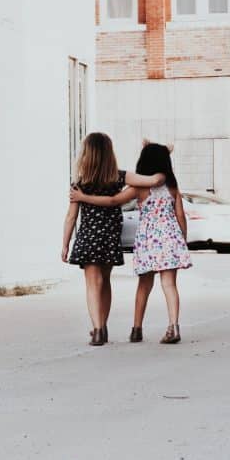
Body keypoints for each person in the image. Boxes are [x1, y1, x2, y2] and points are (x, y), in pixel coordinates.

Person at [70, 141, 191, 344]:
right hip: (170, 239)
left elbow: (112, 201)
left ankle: (136, 329)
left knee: (144, 285)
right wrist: (182, 241)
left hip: (148, 241)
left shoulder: (138, 189)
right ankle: (174, 326)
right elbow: (181, 216)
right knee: (169, 284)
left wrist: (84, 197)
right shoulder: (172, 187)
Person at [61, 133, 164, 346]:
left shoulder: (79, 184)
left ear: (86, 154)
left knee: (92, 284)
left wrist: (65, 243)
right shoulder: (118, 177)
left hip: (88, 237)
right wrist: (162, 158)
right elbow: (153, 180)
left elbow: (71, 216)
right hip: (109, 237)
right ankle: (103, 328)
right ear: (109, 153)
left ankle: (97, 330)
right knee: (105, 281)